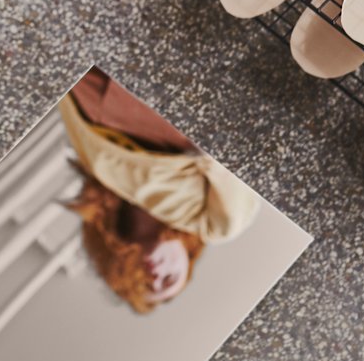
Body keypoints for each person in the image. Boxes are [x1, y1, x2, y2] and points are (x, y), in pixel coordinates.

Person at [58, 69, 259, 312]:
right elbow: (236, 157)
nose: (155, 277)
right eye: (169, 279)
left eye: (144, 284)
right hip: (160, 100)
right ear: (188, 262)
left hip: (93, 102)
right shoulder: (212, 225)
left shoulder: (105, 195)